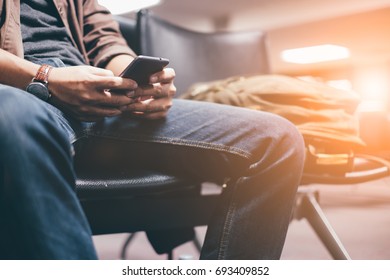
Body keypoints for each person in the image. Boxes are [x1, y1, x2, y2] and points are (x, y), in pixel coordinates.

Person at [0, 0, 305, 260]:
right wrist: (46, 77)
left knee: (276, 140)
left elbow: (105, 39)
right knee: (11, 116)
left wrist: (136, 81)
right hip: (21, 91)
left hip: (97, 91)